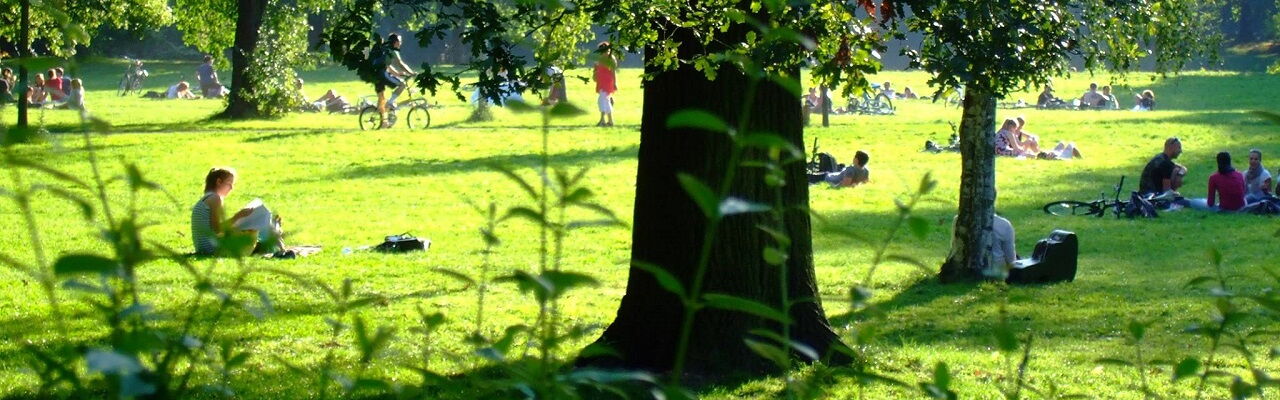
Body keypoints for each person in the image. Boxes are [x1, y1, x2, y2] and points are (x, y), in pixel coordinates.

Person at [191, 167, 287, 256]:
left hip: (206, 248)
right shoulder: (215, 198)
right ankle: (278, 244)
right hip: (213, 249)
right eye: (229, 183)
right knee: (256, 225)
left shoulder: (207, 198)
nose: (231, 188)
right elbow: (217, 229)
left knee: (252, 226)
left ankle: (274, 236)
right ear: (219, 182)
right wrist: (238, 216)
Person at [372, 33, 416, 128]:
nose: (401, 43)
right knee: (402, 84)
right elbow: (400, 64)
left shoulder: (387, 49)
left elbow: (388, 65)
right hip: (382, 74)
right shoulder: (393, 51)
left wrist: (398, 73)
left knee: (399, 84)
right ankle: (390, 103)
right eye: (400, 41)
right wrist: (411, 72)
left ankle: (386, 118)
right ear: (396, 42)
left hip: (379, 73)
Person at [593, 41, 618, 127]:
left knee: (602, 100)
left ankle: (602, 120)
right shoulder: (602, 58)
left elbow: (613, 71)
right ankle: (610, 121)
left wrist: (615, 83)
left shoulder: (610, 58)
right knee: (606, 101)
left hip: (606, 82)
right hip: (602, 82)